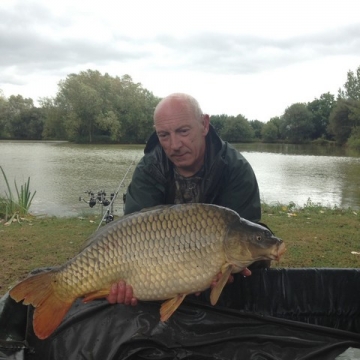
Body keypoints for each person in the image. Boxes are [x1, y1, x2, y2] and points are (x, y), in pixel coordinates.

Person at [106, 92, 266, 306]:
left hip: (220, 288)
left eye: (183, 131)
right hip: (158, 274)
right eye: (164, 135)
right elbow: (133, 239)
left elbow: (247, 235)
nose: (174, 145)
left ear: (204, 125)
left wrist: (233, 271)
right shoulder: (149, 169)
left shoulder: (234, 169)